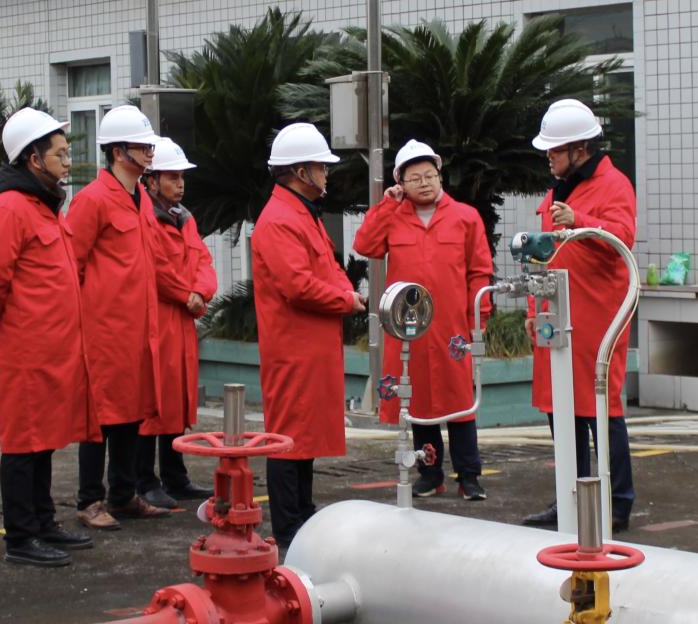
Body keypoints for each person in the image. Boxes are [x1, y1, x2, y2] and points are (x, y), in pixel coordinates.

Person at [0, 107, 93, 566]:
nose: (67, 160)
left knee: (45, 437)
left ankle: (43, 521)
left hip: (50, 346)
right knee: (23, 441)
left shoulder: (41, 204)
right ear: (34, 159)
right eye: (59, 153)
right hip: (24, 346)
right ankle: (21, 536)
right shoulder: (10, 207)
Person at [353, 139, 493, 501]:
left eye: (429, 175)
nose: (425, 183)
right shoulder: (393, 217)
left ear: (439, 175)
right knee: (415, 400)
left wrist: (479, 318)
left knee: (460, 402)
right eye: (415, 178)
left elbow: (479, 271)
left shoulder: (465, 217)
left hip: (452, 327)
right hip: (409, 326)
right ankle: (430, 474)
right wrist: (387, 204)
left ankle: (469, 475)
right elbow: (365, 244)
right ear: (401, 182)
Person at [521, 99, 636, 532]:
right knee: (561, 408)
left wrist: (579, 219)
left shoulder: (614, 185)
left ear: (580, 149)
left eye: (555, 150)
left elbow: (623, 238)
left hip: (598, 316)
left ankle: (617, 503)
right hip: (559, 314)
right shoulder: (559, 190)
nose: (548, 157)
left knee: (602, 408)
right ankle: (570, 496)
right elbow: (542, 255)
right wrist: (533, 309)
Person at [251, 122, 366, 547]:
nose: (326, 173)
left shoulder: (301, 213)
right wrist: (346, 299)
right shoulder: (281, 219)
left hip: (310, 344)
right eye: (321, 167)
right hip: (293, 345)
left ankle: (302, 514)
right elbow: (297, 285)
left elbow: (328, 268)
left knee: (305, 435)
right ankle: (288, 525)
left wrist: (345, 292)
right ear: (301, 172)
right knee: (288, 437)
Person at [68, 105, 169, 530]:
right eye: (141, 146)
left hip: (139, 328)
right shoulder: (92, 200)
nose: (149, 152)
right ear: (117, 151)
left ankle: (123, 494)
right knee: (100, 416)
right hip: (104, 329)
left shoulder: (141, 197)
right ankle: (90, 499)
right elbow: (71, 264)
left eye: (149, 145)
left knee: (132, 409)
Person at [135, 137, 218, 509]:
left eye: (182, 177)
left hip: (181, 317)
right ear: (151, 180)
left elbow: (203, 260)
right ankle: (144, 479)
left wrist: (200, 291)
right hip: (158, 316)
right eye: (172, 177)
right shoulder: (145, 217)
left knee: (176, 397)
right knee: (152, 399)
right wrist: (188, 295)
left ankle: (174, 475)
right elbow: (155, 267)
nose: (180, 184)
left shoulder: (183, 218)